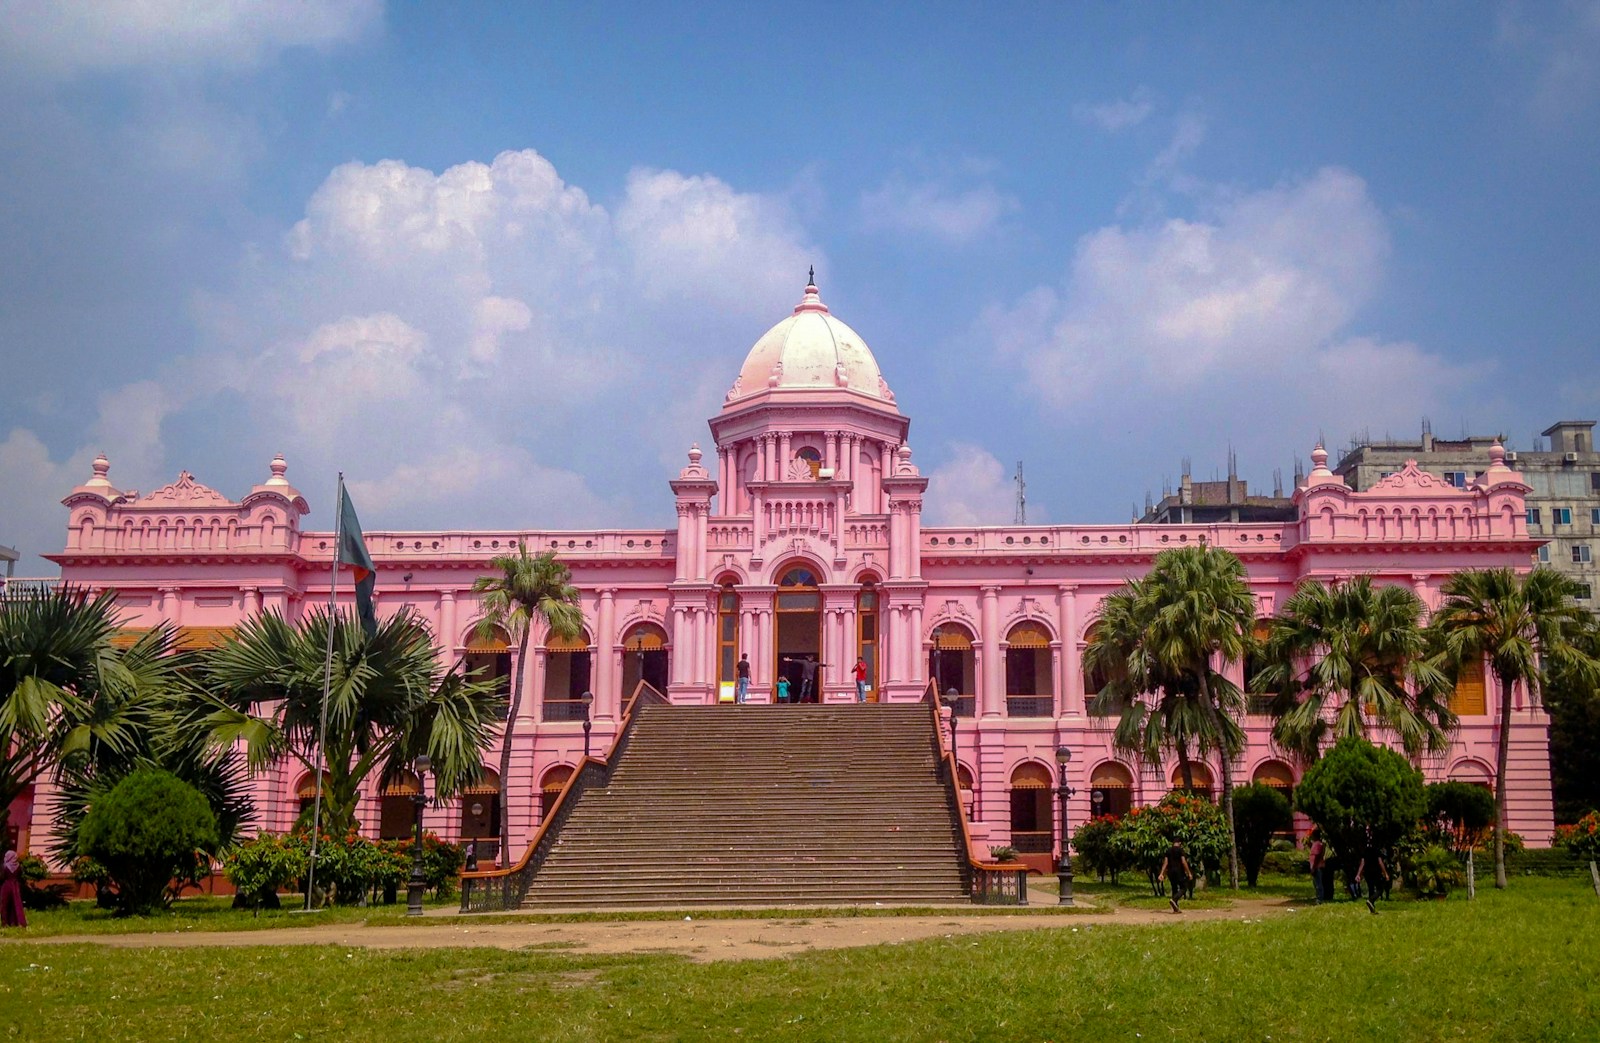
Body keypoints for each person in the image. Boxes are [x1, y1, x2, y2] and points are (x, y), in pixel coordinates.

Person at [1356, 837, 1389, 914]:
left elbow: (1362, 863)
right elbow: (1380, 862)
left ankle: (1372, 908)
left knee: (1371, 889)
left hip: (1367, 872)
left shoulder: (1365, 851)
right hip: (1376, 872)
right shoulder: (1376, 850)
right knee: (1380, 889)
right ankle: (1371, 900)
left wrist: (1358, 874)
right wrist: (1385, 873)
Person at [1157, 839, 1191, 914]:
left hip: (1170, 872)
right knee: (1184, 887)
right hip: (1179, 871)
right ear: (1180, 843)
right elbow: (1183, 861)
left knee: (1174, 888)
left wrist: (1161, 873)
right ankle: (1174, 899)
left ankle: (1175, 908)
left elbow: (1165, 863)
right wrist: (1189, 872)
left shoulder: (1168, 850)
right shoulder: (1180, 850)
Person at [0, 842, 25, 928]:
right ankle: (18, 922)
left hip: (6, 886)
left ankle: (5, 923)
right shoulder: (19, 866)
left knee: (5, 905)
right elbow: (21, 876)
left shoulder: (5, 866)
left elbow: (2, 877)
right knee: (17, 904)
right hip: (15, 885)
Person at [1307, 829, 1327, 904]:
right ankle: (1318, 897)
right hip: (1315, 866)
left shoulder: (1318, 844)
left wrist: (1314, 867)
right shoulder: (1316, 844)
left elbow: (1317, 856)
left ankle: (1320, 899)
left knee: (1318, 884)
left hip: (1317, 866)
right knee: (1316, 883)